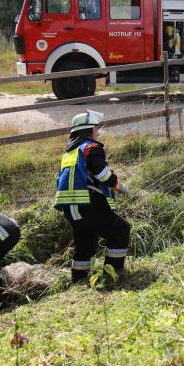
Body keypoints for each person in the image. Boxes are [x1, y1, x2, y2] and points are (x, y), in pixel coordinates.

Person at [53, 110, 131, 283]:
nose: (99, 132)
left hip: (71, 207)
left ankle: (79, 281)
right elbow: (102, 175)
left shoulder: (69, 153)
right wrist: (120, 186)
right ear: (88, 129)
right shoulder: (91, 147)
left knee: (85, 244)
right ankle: (114, 275)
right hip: (88, 204)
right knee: (120, 230)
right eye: (96, 128)